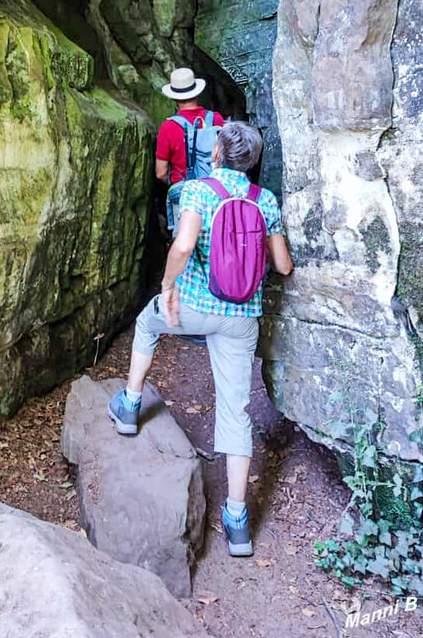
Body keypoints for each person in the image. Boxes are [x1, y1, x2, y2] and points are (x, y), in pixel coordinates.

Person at [108, 122, 294, 557]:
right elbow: (283, 265)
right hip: (240, 318)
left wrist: (168, 284)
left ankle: (130, 406)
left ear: (215, 155)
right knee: (236, 410)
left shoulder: (198, 190)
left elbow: (183, 244)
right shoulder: (264, 200)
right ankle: (237, 521)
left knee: (147, 323)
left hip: (190, 309)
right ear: (252, 161)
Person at [156, 67, 225, 234]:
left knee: (186, 245)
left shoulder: (168, 128)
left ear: (173, 96)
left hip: (184, 195)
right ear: (197, 92)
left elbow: (160, 173)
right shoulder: (216, 119)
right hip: (215, 191)